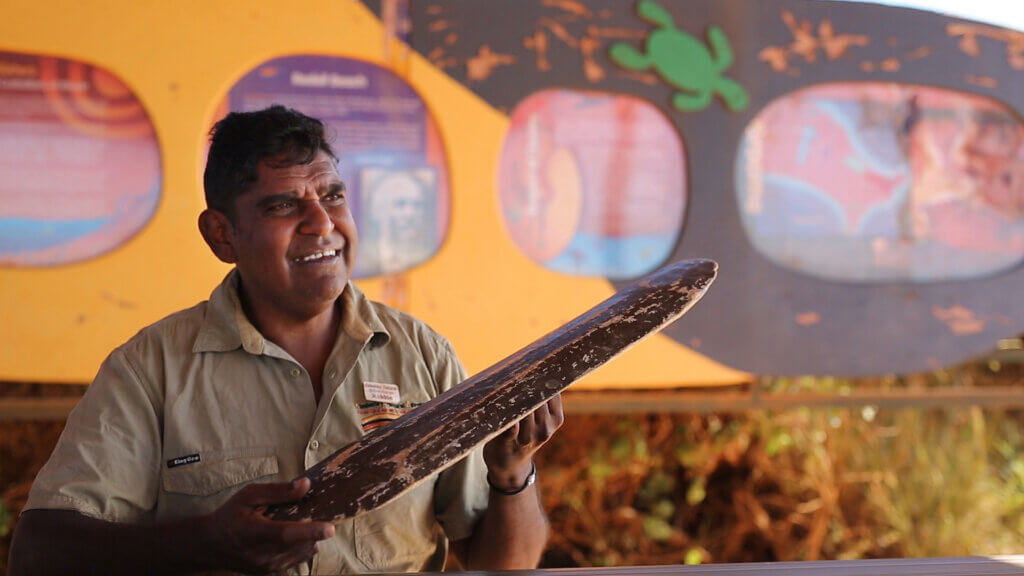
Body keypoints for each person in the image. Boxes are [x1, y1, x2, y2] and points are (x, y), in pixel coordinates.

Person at [9, 105, 563, 575]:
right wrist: (208, 542)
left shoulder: (423, 354)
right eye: (283, 205)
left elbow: (501, 566)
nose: (321, 222)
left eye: (333, 194)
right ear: (222, 234)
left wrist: (513, 473)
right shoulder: (152, 368)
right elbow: (39, 552)